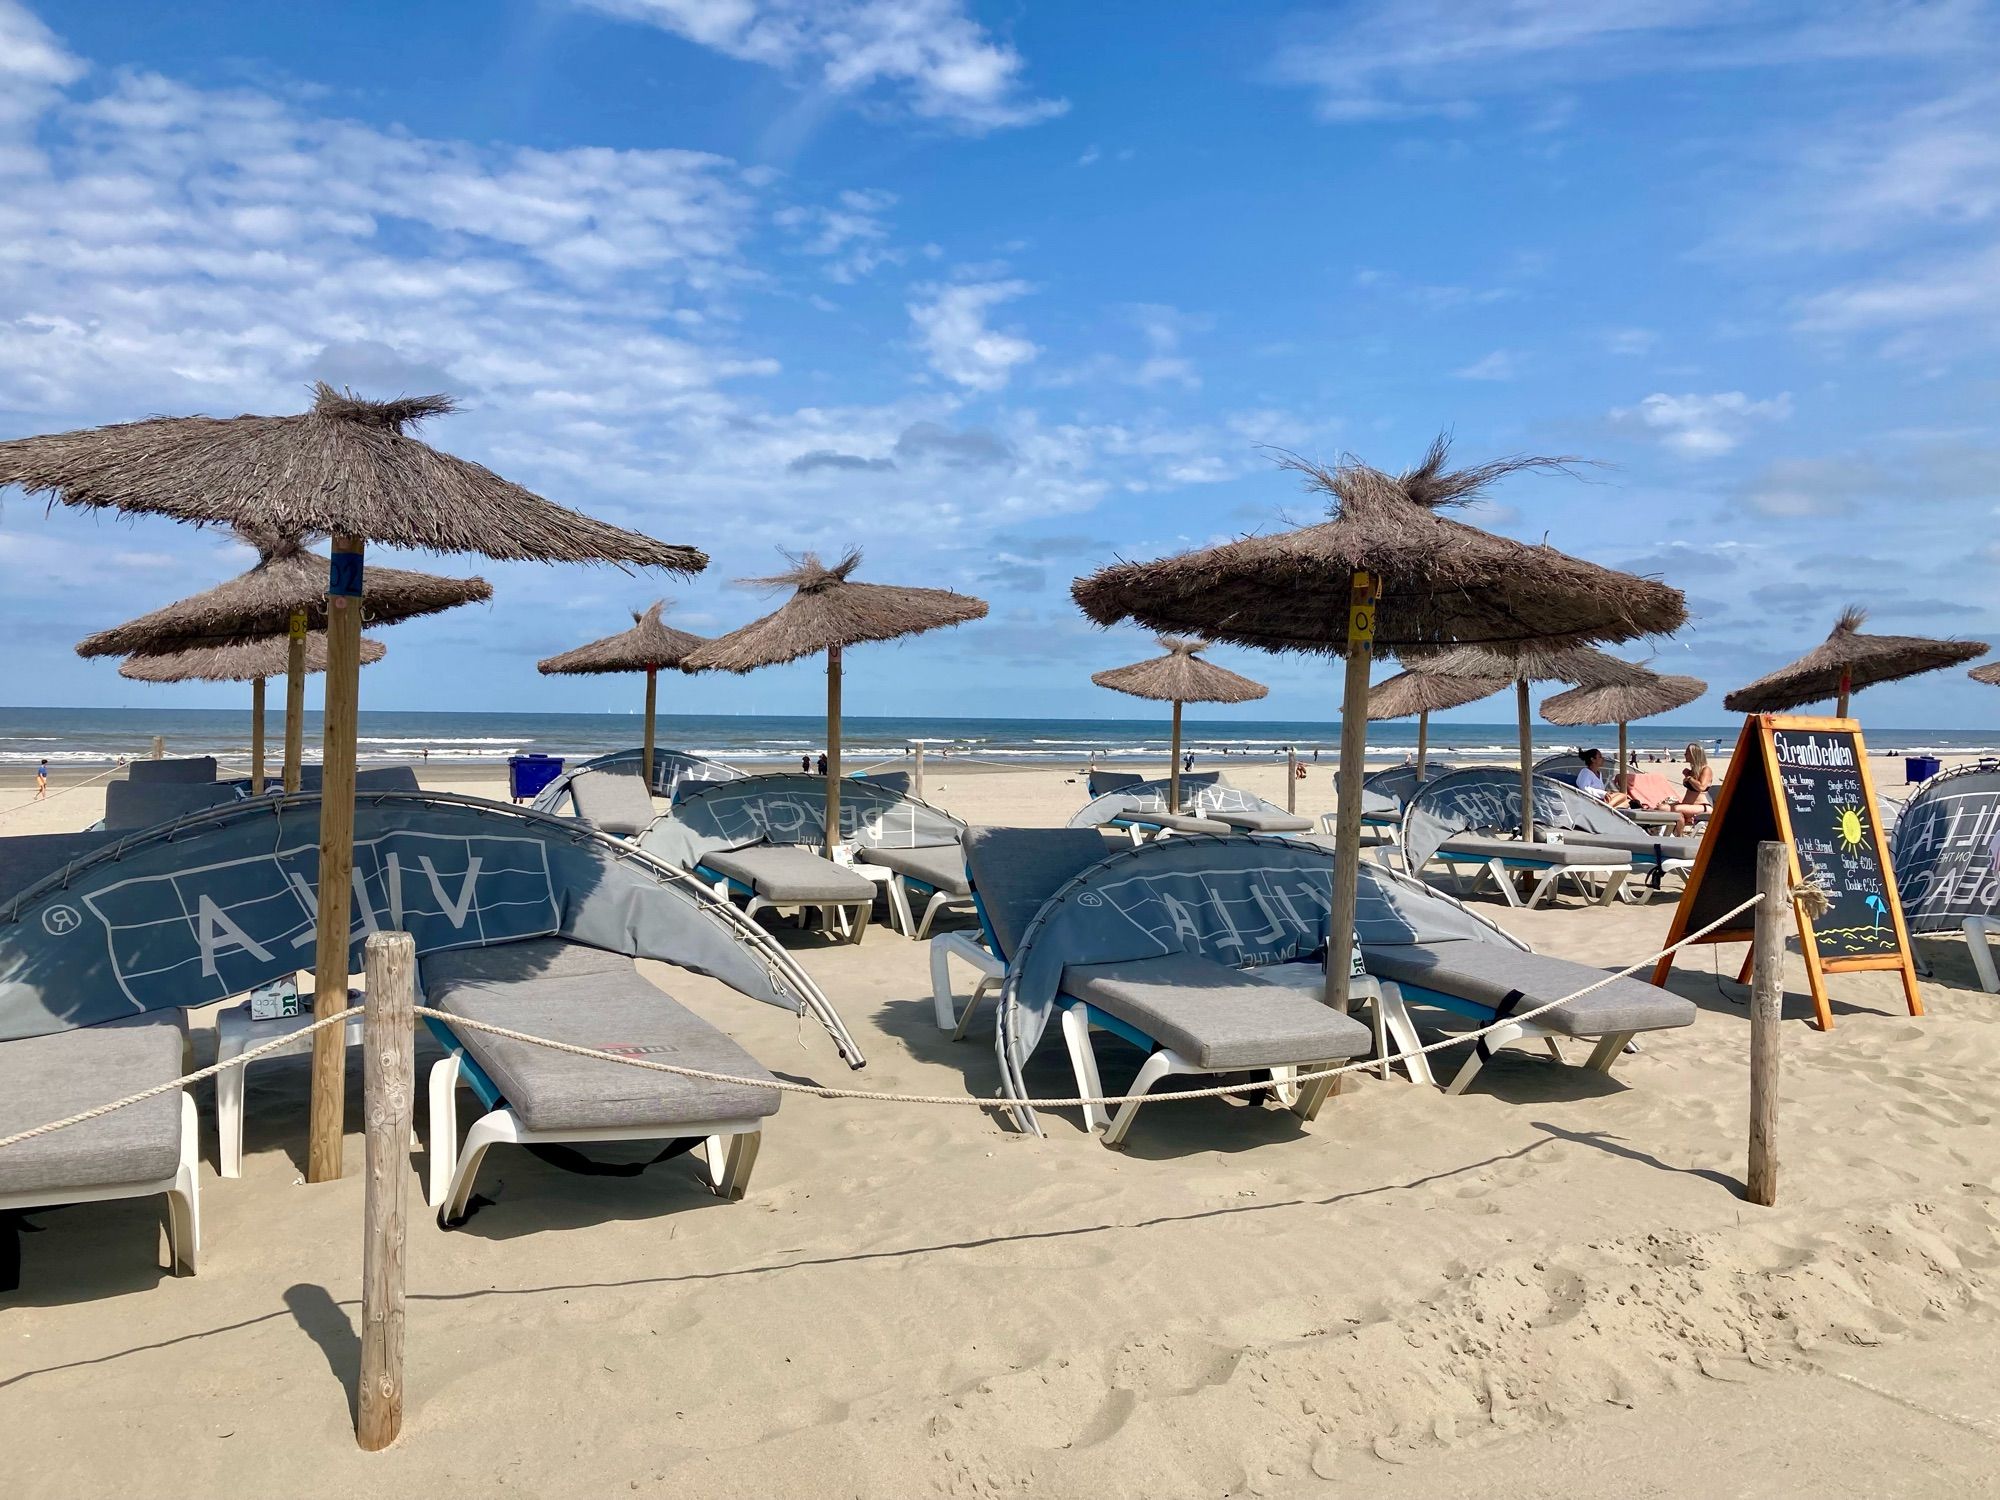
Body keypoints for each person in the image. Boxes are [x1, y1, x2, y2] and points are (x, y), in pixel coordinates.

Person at [1670, 742, 1714, 832]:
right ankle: (1667, 833)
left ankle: (1679, 835)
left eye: (1687, 752)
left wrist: (1689, 778)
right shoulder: (1694, 771)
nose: (1685, 754)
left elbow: (1701, 787)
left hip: (1703, 807)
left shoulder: (1706, 770)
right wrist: (1689, 774)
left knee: (1676, 809)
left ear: (1694, 755)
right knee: (1662, 808)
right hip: (1689, 806)